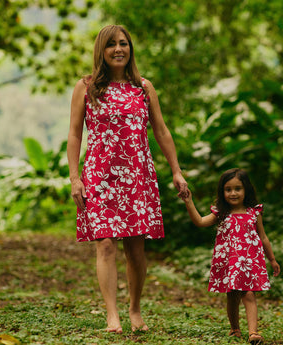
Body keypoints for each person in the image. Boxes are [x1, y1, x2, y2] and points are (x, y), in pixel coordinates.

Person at [67, 24, 188, 334]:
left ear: (130, 49)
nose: (118, 49)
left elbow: (161, 131)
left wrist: (176, 170)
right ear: (101, 51)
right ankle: (112, 315)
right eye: (111, 45)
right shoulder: (87, 86)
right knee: (105, 244)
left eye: (123, 43)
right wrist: (74, 178)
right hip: (100, 176)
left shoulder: (144, 87)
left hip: (137, 175)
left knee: (136, 248)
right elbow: (75, 133)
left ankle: (134, 309)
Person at [181, 168, 280, 344]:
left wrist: (271, 259)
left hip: (249, 261)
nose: (233, 193)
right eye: (228, 189)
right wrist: (189, 202)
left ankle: (253, 333)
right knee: (232, 296)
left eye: (237, 189)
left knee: (248, 294)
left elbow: (263, 237)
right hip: (230, 262)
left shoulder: (254, 212)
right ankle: (235, 329)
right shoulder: (221, 213)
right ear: (222, 191)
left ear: (246, 190)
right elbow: (200, 221)